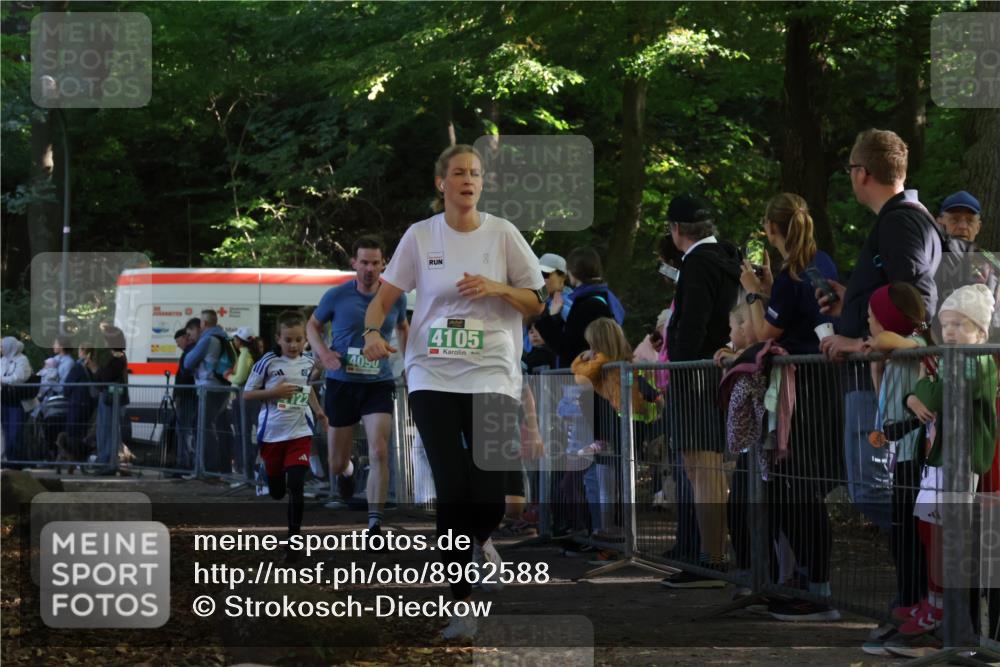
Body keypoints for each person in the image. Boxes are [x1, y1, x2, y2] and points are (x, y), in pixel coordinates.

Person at [362, 143, 545, 639]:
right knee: (451, 486)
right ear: (441, 183)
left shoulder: (503, 234)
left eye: (477, 173)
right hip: (432, 373)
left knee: (487, 496)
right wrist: (372, 334)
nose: (469, 179)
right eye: (460, 172)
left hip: (492, 374)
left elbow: (538, 301)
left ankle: (479, 541)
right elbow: (383, 300)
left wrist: (496, 288)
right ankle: (460, 606)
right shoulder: (421, 237)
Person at [819, 129, 942, 536]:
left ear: (862, 173)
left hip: (883, 378)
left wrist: (859, 341)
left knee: (873, 490)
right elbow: (898, 291)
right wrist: (850, 306)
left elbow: (916, 297)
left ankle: (923, 572)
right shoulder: (903, 219)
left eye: (851, 169)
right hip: (877, 376)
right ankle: (918, 585)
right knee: (873, 489)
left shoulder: (900, 221)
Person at [738, 193, 842, 620]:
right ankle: (807, 578)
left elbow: (765, 330)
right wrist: (769, 290)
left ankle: (818, 589)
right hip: (823, 388)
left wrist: (751, 293)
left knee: (798, 488)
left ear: (771, 229)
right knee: (801, 488)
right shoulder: (823, 263)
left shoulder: (790, 275)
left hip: (799, 394)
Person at [900, 284, 997, 638]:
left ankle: (944, 612)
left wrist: (919, 390)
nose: (951, 331)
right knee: (929, 530)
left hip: (963, 460)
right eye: (947, 324)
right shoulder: (954, 360)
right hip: (941, 457)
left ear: (982, 332)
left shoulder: (978, 362)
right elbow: (930, 389)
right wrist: (916, 393)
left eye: (961, 324)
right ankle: (933, 601)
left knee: (947, 535)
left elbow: (938, 393)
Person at [660, 193, 741, 588]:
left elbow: (692, 322)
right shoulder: (725, 259)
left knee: (704, 467)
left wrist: (678, 364)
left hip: (695, 374)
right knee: (703, 467)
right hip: (711, 369)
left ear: (677, 230)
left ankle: (713, 558)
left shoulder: (697, 264)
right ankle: (711, 554)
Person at [307, 235, 409, 534]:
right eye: (364, 262)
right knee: (336, 464)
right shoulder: (336, 296)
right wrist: (323, 353)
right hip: (342, 383)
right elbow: (312, 326)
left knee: (379, 451)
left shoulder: (395, 297)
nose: (369, 269)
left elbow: (403, 328)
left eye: (375, 263)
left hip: (378, 383)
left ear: (383, 265)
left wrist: (408, 364)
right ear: (354, 263)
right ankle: (348, 470)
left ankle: (374, 523)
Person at [858, 283, 931, 654]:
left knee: (911, 539)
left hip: (915, 458)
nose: (868, 323)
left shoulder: (915, 348)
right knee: (902, 537)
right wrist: (876, 362)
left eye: (871, 317)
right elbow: (881, 398)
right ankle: (907, 609)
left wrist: (876, 341)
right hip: (898, 458)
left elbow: (893, 338)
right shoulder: (893, 357)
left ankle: (918, 612)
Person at [244, 310, 329, 563]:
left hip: (300, 432)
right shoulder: (267, 362)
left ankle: (294, 541)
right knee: (278, 491)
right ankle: (270, 476)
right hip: (272, 435)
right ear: (278, 338)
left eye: (299, 339)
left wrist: (319, 412)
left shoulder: (307, 362)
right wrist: (274, 392)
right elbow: (247, 394)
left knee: (296, 484)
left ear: (305, 339)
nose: (294, 345)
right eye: (288, 340)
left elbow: (307, 390)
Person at [533, 247, 625, 369]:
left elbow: (568, 349)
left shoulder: (588, 304)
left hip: (585, 380)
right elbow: (572, 339)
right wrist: (556, 318)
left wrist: (547, 318)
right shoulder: (601, 297)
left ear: (572, 272)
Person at [183, 309, 234, 473]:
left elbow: (188, 362)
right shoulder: (225, 337)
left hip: (209, 388)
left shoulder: (208, 340)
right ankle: (222, 467)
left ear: (204, 323)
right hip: (223, 387)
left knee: (204, 428)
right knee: (218, 427)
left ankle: (209, 468)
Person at [94, 325, 129, 475]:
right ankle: (106, 461)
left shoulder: (117, 356)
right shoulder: (115, 356)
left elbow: (106, 376)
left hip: (111, 399)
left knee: (107, 430)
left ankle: (107, 462)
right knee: (105, 429)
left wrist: (96, 369)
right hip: (109, 398)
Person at [228, 326, 262, 478]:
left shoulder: (245, 355)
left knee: (243, 436)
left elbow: (239, 378)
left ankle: (246, 472)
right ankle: (252, 471)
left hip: (243, 399)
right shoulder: (253, 354)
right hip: (253, 399)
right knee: (252, 435)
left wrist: (228, 376)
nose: (233, 341)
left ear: (239, 341)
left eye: (235, 338)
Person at [62, 343, 98, 465]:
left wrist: (67, 395)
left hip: (77, 403)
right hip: (89, 403)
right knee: (83, 431)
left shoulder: (78, 366)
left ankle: (77, 458)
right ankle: (82, 458)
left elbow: (67, 385)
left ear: (82, 351)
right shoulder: (93, 365)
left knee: (73, 433)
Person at [1, 336, 33, 464]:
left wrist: (3, 380)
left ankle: (17, 462)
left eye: (2, 346)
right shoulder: (3, 360)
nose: (1, 349)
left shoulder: (22, 360)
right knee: (7, 432)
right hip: (5, 401)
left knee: (15, 433)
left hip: (18, 402)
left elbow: (19, 377)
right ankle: (10, 461)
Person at [174, 318, 200, 473]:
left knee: (183, 430)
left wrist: (178, 395)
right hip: (187, 396)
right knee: (185, 430)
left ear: (184, 338)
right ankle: (185, 461)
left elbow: (184, 376)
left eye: (179, 342)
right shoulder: (189, 352)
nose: (178, 346)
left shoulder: (190, 353)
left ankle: (184, 463)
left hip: (187, 397)